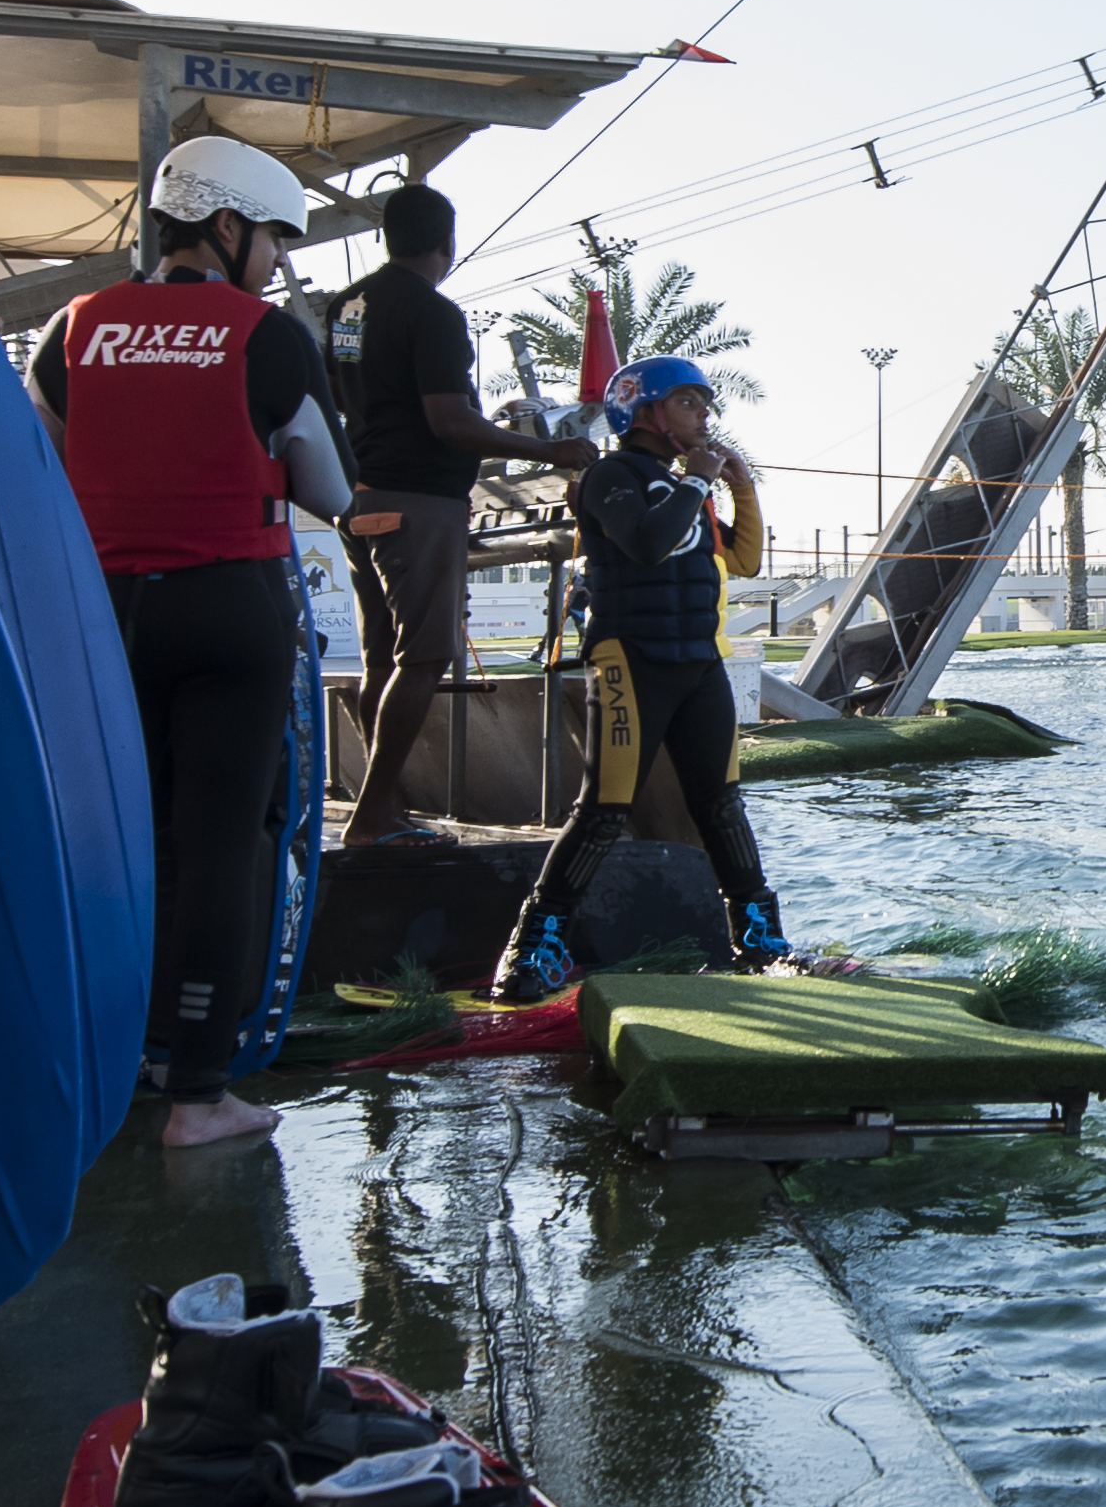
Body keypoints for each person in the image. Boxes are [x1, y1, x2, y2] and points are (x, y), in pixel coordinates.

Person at [39, 138, 354, 1144]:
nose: (271, 260)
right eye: (270, 238)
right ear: (225, 226)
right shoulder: (266, 335)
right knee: (220, 840)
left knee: (119, 835)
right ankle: (199, 1089)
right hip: (230, 605)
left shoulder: (71, 325)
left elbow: (44, 458)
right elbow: (328, 490)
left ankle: (109, 1051)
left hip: (104, 614)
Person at [525, 355, 790, 985]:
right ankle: (532, 950)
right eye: (690, 403)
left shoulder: (685, 489)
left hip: (699, 667)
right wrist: (699, 481)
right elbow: (646, 543)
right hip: (630, 663)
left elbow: (746, 559)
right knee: (603, 811)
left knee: (722, 807)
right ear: (646, 410)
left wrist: (740, 486)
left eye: (705, 405)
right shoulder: (610, 476)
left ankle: (762, 945)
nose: (704, 417)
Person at [333, 183, 578, 838]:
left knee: (380, 659)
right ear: (448, 241)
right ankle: (376, 811)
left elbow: (349, 402)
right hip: (417, 504)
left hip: (358, 498)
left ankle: (381, 802)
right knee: (423, 658)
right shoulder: (432, 313)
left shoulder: (345, 307)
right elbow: (448, 421)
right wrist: (548, 448)